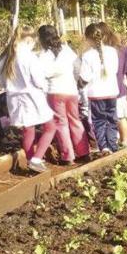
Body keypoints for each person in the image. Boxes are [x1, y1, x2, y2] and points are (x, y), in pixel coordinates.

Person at [0, 25, 57, 172]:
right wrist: (45, 87)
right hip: (32, 97)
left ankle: (31, 161)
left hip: (14, 99)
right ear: (30, 39)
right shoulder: (29, 56)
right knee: (50, 127)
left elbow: (2, 82)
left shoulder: (4, 57)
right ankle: (36, 159)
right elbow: (38, 80)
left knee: (27, 130)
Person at [38, 25, 90, 164]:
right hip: (71, 90)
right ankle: (84, 152)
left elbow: (41, 75)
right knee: (75, 120)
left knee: (61, 124)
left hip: (54, 92)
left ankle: (68, 156)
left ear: (42, 39)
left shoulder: (43, 55)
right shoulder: (67, 50)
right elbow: (78, 66)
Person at [80, 23, 120, 155]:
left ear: (89, 38)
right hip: (111, 91)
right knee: (111, 119)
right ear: (103, 36)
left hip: (96, 93)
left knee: (99, 121)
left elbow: (85, 76)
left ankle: (104, 147)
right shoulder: (113, 51)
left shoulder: (87, 55)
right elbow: (114, 70)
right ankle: (113, 145)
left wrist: (79, 84)